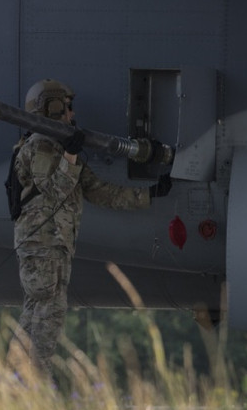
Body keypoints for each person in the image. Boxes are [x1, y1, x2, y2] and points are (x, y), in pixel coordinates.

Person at [10, 78, 172, 377]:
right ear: (52, 107)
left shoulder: (57, 147)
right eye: (67, 107)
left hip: (53, 245)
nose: (72, 114)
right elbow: (55, 190)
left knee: (40, 310)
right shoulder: (40, 146)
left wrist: (149, 195)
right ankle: (31, 382)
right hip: (43, 244)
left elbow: (98, 191)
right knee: (48, 313)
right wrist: (70, 155)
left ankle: (18, 379)